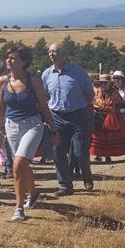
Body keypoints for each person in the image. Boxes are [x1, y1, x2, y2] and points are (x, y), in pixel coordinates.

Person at [0, 47, 59, 222]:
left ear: (23, 62)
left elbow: (44, 107)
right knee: (22, 164)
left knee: (18, 164)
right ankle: (34, 193)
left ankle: (19, 207)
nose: (9, 61)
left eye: (13, 58)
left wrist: (53, 129)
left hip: (32, 124)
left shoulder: (34, 81)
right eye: (7, 58)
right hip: (11, 126)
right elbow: (0, 108)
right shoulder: (1, 81)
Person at [42, 43, 95, 195]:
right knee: (58, 152)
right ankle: (65, 185)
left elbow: (89, 94)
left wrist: (85, 111)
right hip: (57, 117)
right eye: (50, 51)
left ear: (64, 54)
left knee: (79, 152)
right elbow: (45, 96)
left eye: (55, 51)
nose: (52, 54)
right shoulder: (46, 74)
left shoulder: (78, 72)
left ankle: (86, 175)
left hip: (78, 116)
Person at [90, 74, 125, 163]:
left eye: (105, 83)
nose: (103, 85)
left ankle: (107, 155)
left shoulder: (114, 92)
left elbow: (122, 104)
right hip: (98, 115)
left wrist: (115, 107)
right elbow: (91, 103)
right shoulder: (96, 91)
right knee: (98, 136)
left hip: (111, 116)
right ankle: (98, 155)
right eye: (101, 83)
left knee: (109, 136)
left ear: (110, 84)